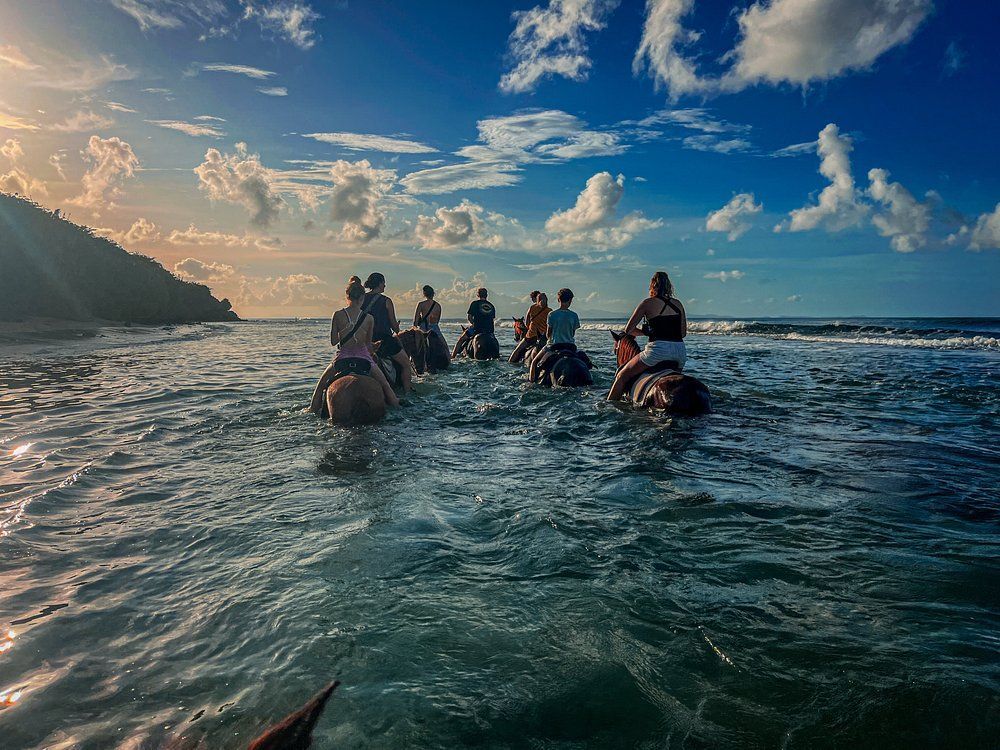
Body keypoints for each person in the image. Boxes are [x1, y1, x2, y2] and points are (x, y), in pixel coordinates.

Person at [308, 279, 399, 412]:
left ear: (347, 296)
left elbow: (334, 342)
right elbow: (368, 346)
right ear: (362, 297)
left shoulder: (338, 315)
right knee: (385, 384)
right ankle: (396, 404)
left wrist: (345, 331)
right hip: (364, 359)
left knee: (321, 384)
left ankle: (312, 408)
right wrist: (375, 345)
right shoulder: (369, 318)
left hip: (342, 359)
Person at [607, 271, 687, 402]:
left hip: (658, 351)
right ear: (669, 286)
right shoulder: (678, 304)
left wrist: (647, 332)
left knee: (622, 375)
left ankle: (608, 406)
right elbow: (683, 333)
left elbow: (629, 330)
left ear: (653, 286)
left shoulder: (647, 303)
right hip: (680, 352)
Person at [362, 272, 412, 393]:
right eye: (384, 283)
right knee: (406, 364)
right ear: (379, 283)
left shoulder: (361, 298)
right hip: (383, 340)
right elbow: (394, 326)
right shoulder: (386, 300)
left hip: (364, 340)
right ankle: (407, 392)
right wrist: (397, 328)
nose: (385, 286)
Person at [452, 287, 497, 358]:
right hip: (490, 331)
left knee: (461, 339)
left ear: (478, 295)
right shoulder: (491, 306)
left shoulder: (475, 304)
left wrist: (473, 324)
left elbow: (469, 317)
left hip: (476, 329)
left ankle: (452, 357)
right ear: (486, 295)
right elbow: (492, 319)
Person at [509, 291, 551, 363]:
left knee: (517, 350)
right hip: (544, 338)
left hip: (531, 336)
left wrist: (531, 328)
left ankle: (510, 363)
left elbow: (527, 323)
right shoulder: (550, 311)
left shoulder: (532, 308)